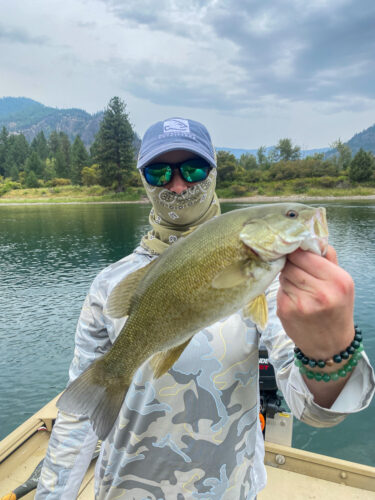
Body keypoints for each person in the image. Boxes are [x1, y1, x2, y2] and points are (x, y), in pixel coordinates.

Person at [36, 117, 375, 500]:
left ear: (213, 173)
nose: (178, 184)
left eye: (193, 169)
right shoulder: (108, 284)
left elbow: (314, 410)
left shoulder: (275, 283)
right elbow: (78, 418)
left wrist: (331, 349)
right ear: (144, 180)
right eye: (160, 171)